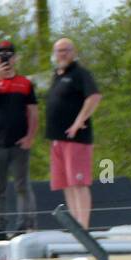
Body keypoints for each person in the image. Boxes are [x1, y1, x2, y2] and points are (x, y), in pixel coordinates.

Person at [0, 41, 37, 240]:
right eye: (1, 56)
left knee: (22, 184)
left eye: (9, 56)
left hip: (19, 143)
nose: (6, 60)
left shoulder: (25, 83)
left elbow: (33, 112)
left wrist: (30, 136)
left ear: (15, 58)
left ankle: (25, 225)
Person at [47, 38, 102, 229]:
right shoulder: (57, 75)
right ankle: (74, 224)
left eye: (66, 50)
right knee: (67, 184)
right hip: (57, 138)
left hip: (76, 139)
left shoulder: (80, 74)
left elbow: (94, 96)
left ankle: (83, 225)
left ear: (73, 52)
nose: (62, 54)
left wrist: (79, 121)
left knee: (78, 182)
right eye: (59, 51)